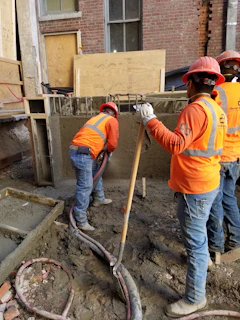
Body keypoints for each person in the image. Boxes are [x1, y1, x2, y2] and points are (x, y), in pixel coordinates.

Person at [139, 57, 227, 317]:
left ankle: (195, 299)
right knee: (196, 232)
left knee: (195, 242)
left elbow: (176, 144)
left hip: (195, 186)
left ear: (190, 82)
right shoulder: (215, 109)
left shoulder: (195, 110)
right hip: (209, 181)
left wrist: (150, 120)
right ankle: (205, 261)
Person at [207, 50, 240, 254]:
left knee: (214, 202)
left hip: (218, 156)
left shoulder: (217, 92)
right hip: (235, 157)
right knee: (229, 198)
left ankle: (216, 245)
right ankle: (236, 241)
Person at [69, 102, 119, 231]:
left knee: (96, 173)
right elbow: (113, 143)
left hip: (80, 151)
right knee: (85, 186)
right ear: (114, 113)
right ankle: (80, 221)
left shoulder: (96, 118)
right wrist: (108, 150)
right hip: (83, 154)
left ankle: (99, 198)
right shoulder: (112, 120)